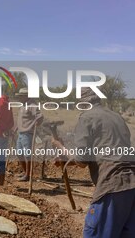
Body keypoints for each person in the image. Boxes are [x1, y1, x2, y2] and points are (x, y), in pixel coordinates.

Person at [52, 88, 135, 238]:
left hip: (112, 185)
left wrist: (60, 146)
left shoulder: (87, 117)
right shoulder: (116, 117)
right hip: (132, 185)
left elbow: (82, 161)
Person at [14, 88, 43, 181]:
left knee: (27, 155)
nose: (19, 98)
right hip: (21, 133)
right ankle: (25, 172)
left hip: (28, 133)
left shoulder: (32, 104)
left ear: (26, 96)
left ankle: (28, 175)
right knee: (19, 153)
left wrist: (37, 123)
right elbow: (22, 119)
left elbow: (40, 116)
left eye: (21, 96)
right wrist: (17, 127)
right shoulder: (23, 105)